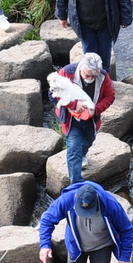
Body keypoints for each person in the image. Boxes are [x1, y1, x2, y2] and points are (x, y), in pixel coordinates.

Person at [52, 52, 115, 185]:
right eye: (87, 75)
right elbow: (52, 94)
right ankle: (76, 185)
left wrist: (94, 110)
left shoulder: (103, 76)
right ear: (81, 67)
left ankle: (83, 154)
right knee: (73, 148)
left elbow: (110, 96)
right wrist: (74, 105)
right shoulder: (66, 72)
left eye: (93, 76)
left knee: (88, 141)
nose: (90, 79)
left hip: (91, 119)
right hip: (71, 119)